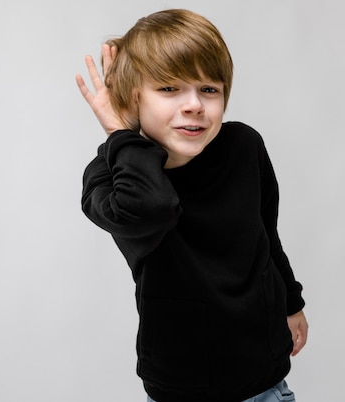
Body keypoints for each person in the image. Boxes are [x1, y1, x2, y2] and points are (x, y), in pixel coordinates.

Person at [75, 9, 308, 402]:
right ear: (132, 98)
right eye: (169, 89)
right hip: (181, 388)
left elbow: (265, 232)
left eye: (209, 89)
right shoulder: (111, 175)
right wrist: (121, 132)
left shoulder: (243, 146)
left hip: (263, 379)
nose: (194, 105)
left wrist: (291, 301)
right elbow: (153, 208)